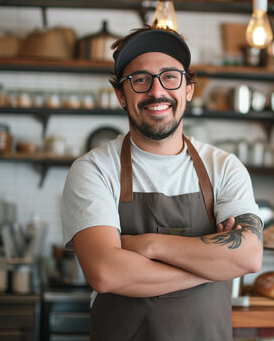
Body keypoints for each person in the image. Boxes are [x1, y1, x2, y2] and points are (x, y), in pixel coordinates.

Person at [61, 25, 263, 341]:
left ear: (188, 89)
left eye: (170, 76)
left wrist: (147, 245)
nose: (157, 92)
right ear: (121, 95)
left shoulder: (224, 167)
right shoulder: (94, 169)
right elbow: (106, 273)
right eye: (140, 80)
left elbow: (249, 256)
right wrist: (215, 266)